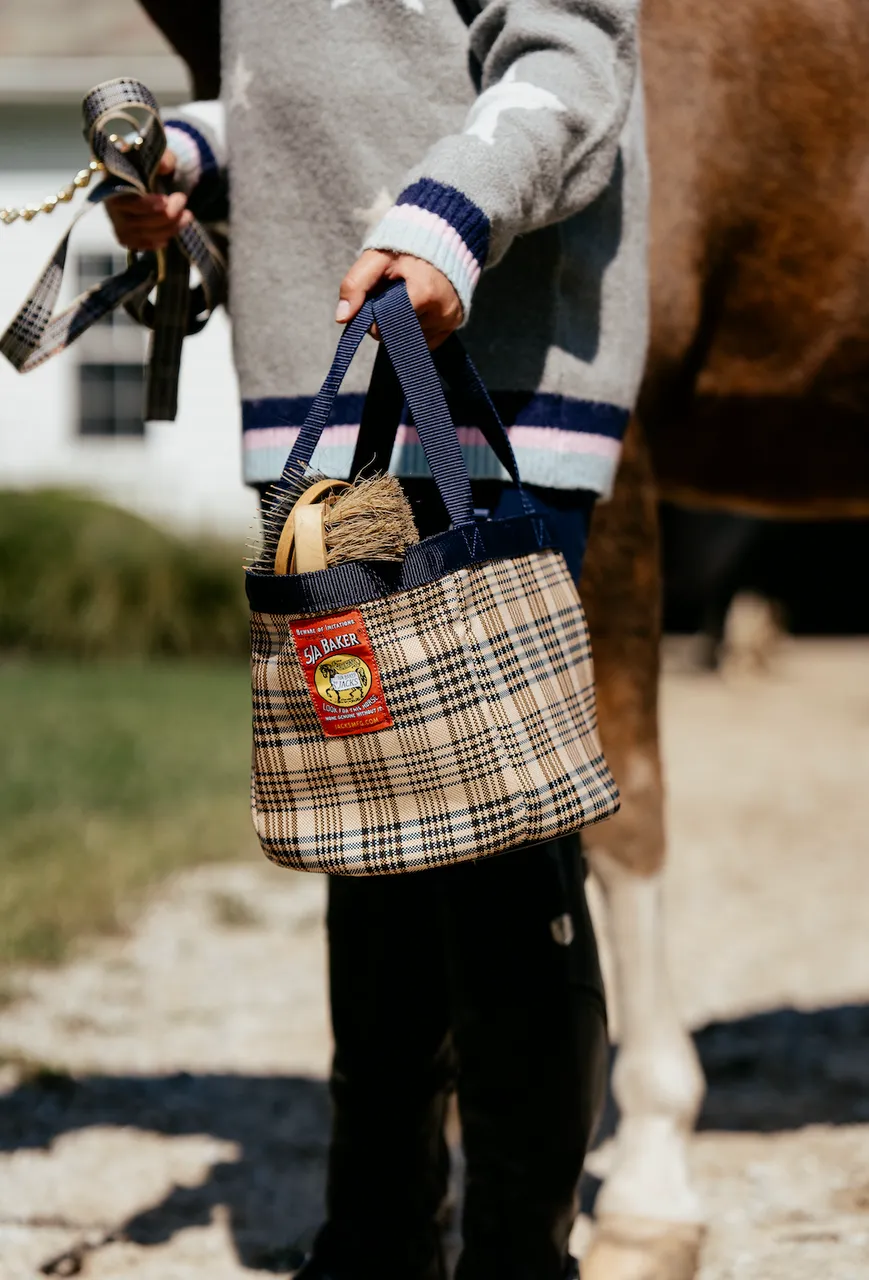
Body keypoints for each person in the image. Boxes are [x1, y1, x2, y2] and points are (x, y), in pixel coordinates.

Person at [110, 2, 647, 1275]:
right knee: (369, 836)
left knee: (501, 842)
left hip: (493, 375)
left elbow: (573, 52)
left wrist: (452, 211)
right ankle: (379, 1235)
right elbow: (328, 87)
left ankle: (518, 1255)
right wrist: (194, 154)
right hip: (321, 385)